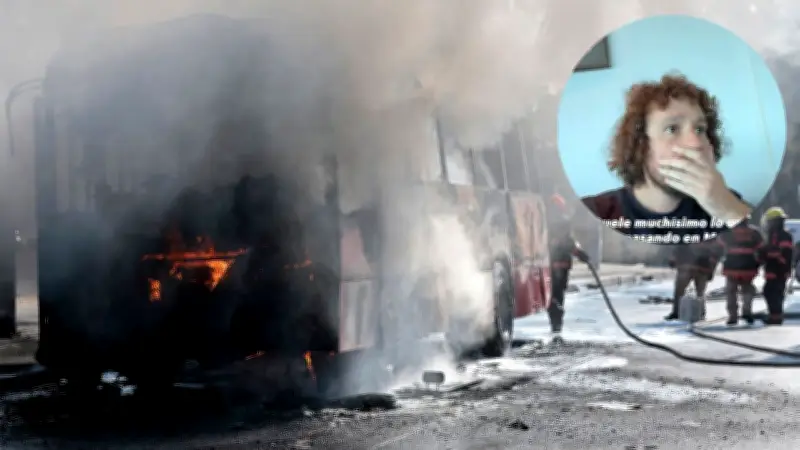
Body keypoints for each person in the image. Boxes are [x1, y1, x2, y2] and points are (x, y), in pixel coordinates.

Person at [581, 74, 751, 244]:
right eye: (672, 129)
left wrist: (730, 212)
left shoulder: (726, 202)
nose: (695, 144)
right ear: (641, 146)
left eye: (700, 129)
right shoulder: (593, 213)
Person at [546, 194, 589, 334]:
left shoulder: (545, 222)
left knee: (553, 296)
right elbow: (568, 243)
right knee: (558, 297)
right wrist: (580, 254)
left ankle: (555, 324)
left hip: (549, 266)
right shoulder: (564, 222)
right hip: (562, 266)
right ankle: (557, 327)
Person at [717, 216, 764, 326]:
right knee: (747, 289)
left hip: (731, 267)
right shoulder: (754, 232)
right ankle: (747, 312)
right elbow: (761, 249)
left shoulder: (727, 232)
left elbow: (719, 244)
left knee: (731, 291)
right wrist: (759, 263)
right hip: (748, 267)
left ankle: (733, 316)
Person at [664, 239, 719, 321]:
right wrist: (711, 271)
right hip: (701, 268)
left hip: (687, 266)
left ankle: (677, 312)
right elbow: (715, 254)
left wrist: (673, 260)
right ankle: (700, 313)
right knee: (699, 292)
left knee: (680, 291)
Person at [759, 207, 794, 325]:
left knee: (773, 292)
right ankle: (775, 316)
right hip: (774, 268)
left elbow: (782, 252)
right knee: (770, 292)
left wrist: (765, 252)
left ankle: (776, 317)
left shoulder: (783, 235)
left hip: (779, 269)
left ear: (774, 222)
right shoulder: (774, 234)